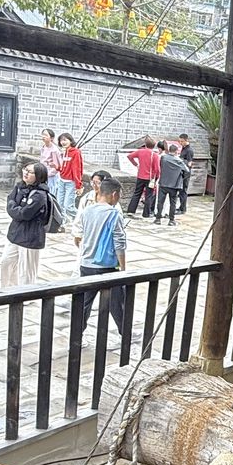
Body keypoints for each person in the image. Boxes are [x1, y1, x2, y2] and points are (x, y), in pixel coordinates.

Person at [74, 177, 128, 334]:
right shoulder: (114, 214)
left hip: (86, 263)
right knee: (117, 303)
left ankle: (76, 335)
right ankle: (125, 333)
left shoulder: (87, 211)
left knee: (84, 303)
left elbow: (82, 234)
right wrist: (123, 267)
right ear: (114, 194)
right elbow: (119, 243)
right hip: (107, 265)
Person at [0, 161, 52, 287]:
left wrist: (14, 208)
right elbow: (10, 201)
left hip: (30, 237)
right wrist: (15, 208)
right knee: (6, 262)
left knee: (26, 272)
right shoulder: (19, 187)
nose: (26, 173)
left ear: (39, 176)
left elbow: (24, 214)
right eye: (25, 170)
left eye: (30, 172)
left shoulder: (40, 195)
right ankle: (7, 291)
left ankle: (26, 294)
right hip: (15, 233)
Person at [124, 136, 160, 218]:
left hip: (140, 176)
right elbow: (157, 169)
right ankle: (146, 214)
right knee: (149, 195)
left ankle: (131, 210)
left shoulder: (140, 151)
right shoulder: (155, 155)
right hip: (150, 178)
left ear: (145, 144)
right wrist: (156, 177)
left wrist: (136, 164)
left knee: (137, 193)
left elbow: (129, 156)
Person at [154, 143, 187, 226]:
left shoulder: (163, 158)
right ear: (176, 151)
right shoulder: (179, 161)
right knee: (173, 203)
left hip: (163, 183)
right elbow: (186, 170)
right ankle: (171, 220)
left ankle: (158, 219)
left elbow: (160, 166)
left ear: (169, 150)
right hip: (174, 185)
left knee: (160, 202)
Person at [56, 133, 84, 224]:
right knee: (59, 204)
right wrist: (57, 167)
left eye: (65, 140)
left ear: (70, 141)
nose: (63, 142)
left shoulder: (76, 152)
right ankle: (63, 222)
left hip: (71, 182)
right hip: (61, 180)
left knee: (68, 206)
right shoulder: (64, 152)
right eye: (61, 140)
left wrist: (78, 185)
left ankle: (83, 219)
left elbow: (77, 169)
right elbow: (63, 167)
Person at [177, 133, 196, 214]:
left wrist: (181, 161)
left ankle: (183, 209)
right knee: (181, 190)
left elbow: (189, 163)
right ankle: (181, 206)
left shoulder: (189, 150)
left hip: (186, 173)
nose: (180, 143)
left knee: (183, 190)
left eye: (182, 141)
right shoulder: (183, 148)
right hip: (181, 172)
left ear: (186, 140)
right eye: (180, 141)